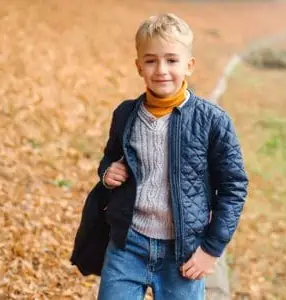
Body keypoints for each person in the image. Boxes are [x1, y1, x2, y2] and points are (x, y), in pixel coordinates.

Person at [96, 13, 248, 300]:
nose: (161, 69)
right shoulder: (126, 115)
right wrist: (108, 172)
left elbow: (234, 187)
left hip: (184, 253)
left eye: (172, 60)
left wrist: (211, 250)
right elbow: (110, 159)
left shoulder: (212, 121)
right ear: (139, 66)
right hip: (128, 245)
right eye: (151, 60)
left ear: (189, 65)